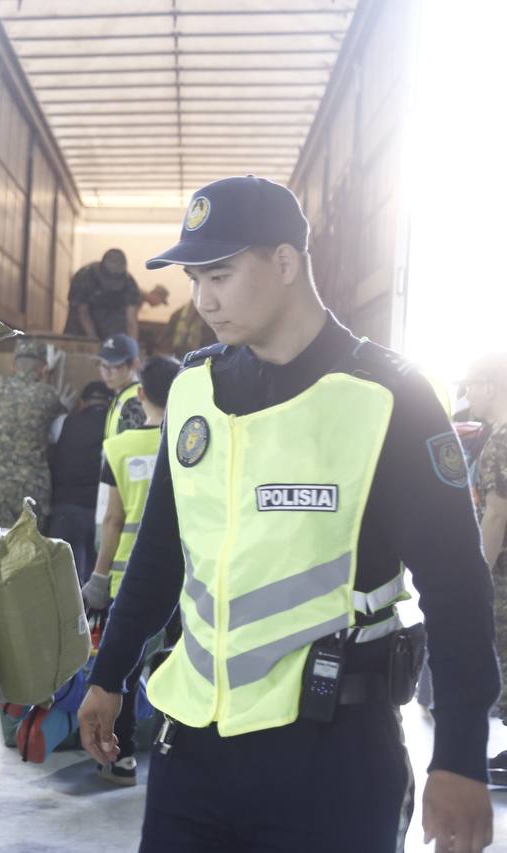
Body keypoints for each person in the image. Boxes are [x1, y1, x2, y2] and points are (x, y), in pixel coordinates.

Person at [77, 176, 498, 852]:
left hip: (332, 758)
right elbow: (160, 553)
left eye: (220, 273)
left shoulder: (388, 395)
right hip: (192, 757)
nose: (203, 299)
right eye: (194, 278)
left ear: (284, 262)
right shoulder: (194, 391)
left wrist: (460, 753)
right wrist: (110, 674)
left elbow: (456, 585)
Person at [80, 355, 179, 786]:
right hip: (189, 582)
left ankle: (121, 759)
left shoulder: (117, 448)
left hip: (130, 580)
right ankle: (172, 746)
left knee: (124, 669)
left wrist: (98, 579)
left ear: (140, 396)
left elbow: (112, 521)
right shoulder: (192, 443)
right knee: (177, 665)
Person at [462, 353, 507, 769]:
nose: (467, 394)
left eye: (472, 385)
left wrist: (479, 577)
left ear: (490, 386)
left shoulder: (500, 441)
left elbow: (496, 514)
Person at [0, 338, 71, 527]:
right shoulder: (49, 395)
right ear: (44, 367)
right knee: (31, 550)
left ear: (14, 365)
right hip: (33, 488)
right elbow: (61, 413)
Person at [48, 381, 114, 583]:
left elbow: (47, 444)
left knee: (67, 585)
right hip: (103, 515)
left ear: (82, 403)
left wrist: (63, 409)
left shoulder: (63, 423)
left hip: (66, 510)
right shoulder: (116, 426)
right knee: (96, 583)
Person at [64, 248, 142, 340]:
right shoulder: (84, 278)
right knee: (77, 333)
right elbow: (83, 313)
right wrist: (94, 341)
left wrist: (132, 348)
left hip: (110, 321)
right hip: (81, 322)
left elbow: (131, 320)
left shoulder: (130, 284)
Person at [98, 333, 145, 439]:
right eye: (103, 365)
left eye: (114, 366)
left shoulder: (135, 401)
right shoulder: (123, 394)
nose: (106, 373)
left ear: (135, 364)